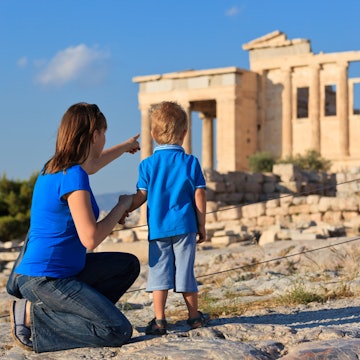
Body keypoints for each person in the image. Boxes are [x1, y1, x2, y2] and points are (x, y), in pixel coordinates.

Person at [10, 102, 141, 353]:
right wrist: (121, 206)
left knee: (127, 266)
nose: (105, 139)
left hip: (63, 273)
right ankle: (32, 318)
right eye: (104, 133)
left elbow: (94, 164)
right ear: (95, 135)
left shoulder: (54, 167)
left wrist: (125, 148)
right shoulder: (73, 176)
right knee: (117, 331)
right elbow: (90, 239)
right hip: (45, 279)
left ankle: (81, 316)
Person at [123, 101, 209, 335]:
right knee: (186, 272)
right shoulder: (191, 162)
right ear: (184, 133)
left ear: (152, 134)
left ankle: (159, 320)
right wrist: (202, 223)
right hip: (185, 227)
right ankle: (194, 318)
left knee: (158, 274)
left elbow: (141, 196)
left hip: (158, 229)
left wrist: (125, 209)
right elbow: (199, 194)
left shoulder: (147, 165)